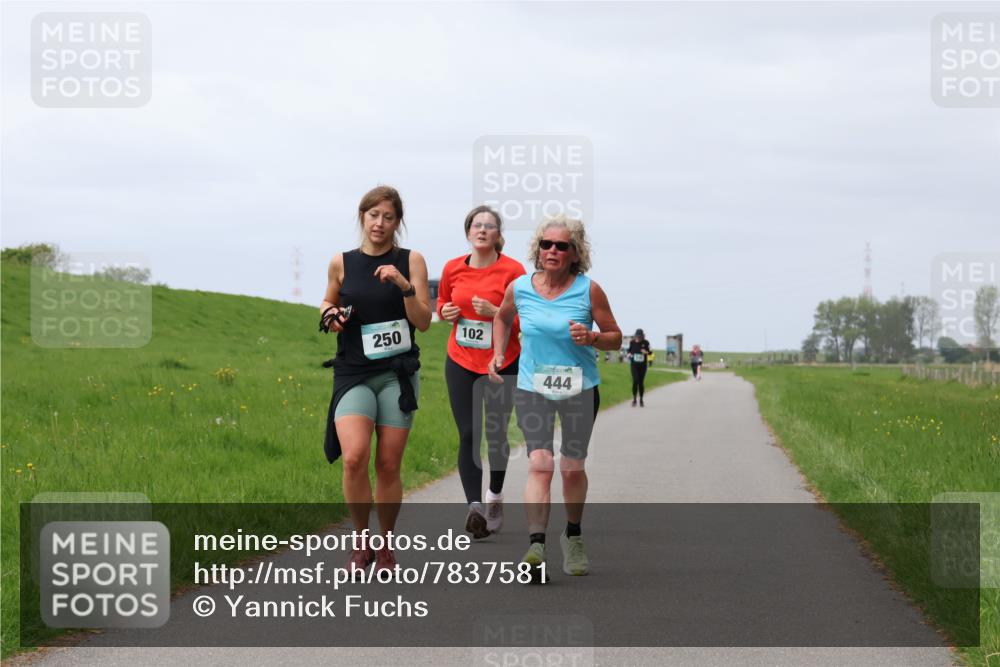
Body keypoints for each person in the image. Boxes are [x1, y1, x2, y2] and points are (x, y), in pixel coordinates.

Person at [489, 214, 622, 580]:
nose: (552, 251)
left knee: (571, 468)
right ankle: (536, 544)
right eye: (546, 244)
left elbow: (615, 336)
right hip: (534, 387)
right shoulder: (520, 288)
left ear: (574, 253)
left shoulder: (588, 290)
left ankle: (573, 535)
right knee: (540, 464)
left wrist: (593, 337)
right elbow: (501, 318)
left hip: (579, 387)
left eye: (561, 246)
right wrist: (498, 353)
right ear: (538, 249)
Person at [320, 185, 432, 574]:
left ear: (397, 222)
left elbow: (423, 322)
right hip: (353, 372)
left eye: (387, 217)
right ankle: (360, 541)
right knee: (354, 457)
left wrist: (404, 286)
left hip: (395, 375)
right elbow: (328, 301)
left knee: (387, 463)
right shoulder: (342, 262)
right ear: (362, 218)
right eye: (373, 215)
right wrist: (330, 317)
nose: (379, 223)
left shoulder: (411, 260)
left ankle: (385, 545)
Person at [438, 205, 526, 539]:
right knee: (468, 433)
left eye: (490, 226)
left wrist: (497, 312)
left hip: (502, 362)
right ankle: (473, 507)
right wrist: (445, 311)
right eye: (477, 225)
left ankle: (495, 497)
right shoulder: (452, 268)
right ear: (468, 231)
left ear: (499, 235)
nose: (483, 230)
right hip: (460, 359)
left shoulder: (514, 271)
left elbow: (525, 321)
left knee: (497, 433)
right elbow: (444, 304)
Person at [628, 328, 652, 407]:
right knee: (635, 381)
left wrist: (646, 352)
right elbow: (629, 351)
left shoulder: (646, 343)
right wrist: (629, 354)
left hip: (643, 366)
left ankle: (641, 399)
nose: (638, 338)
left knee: (641, 383)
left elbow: (650, 352)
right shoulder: (632, 342)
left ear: (642, 336)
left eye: (639, 336)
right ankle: (634, 399)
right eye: (637, 336)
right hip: (634, 365)